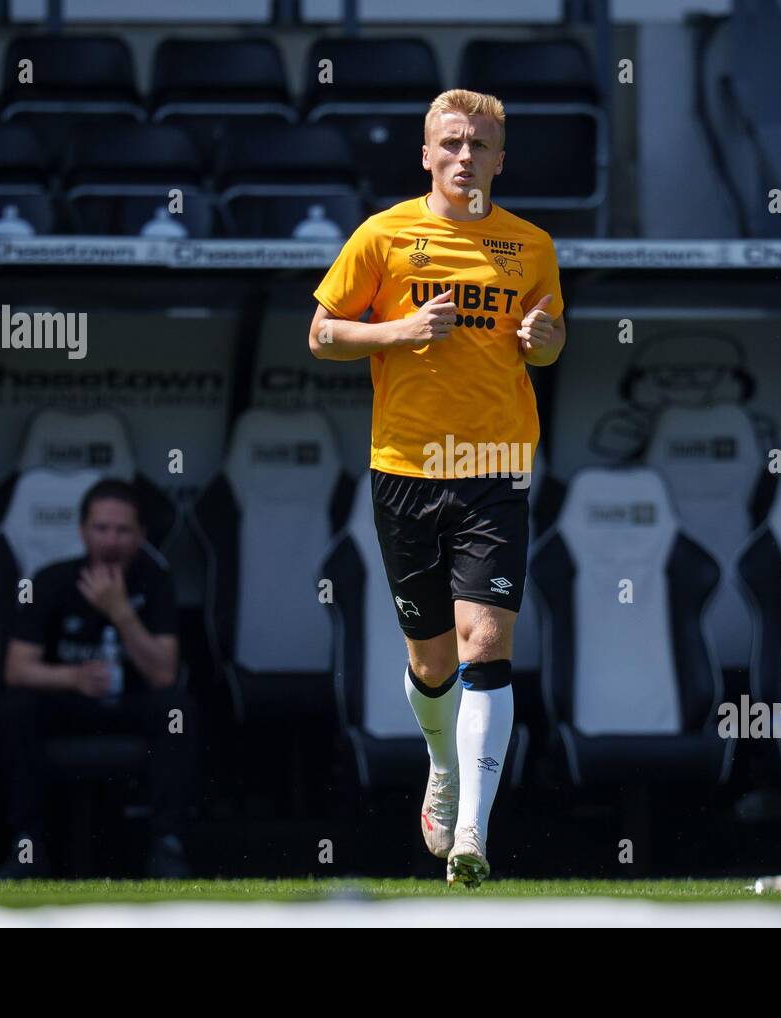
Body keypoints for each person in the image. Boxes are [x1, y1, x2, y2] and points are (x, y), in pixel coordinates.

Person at [308, 89, 566, 886]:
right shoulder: (382, 235)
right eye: (451, 143)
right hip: (406, 474)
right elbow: (322, 333)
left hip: (494, 469)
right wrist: (400, 331)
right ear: (427, 155)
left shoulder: (530, 246)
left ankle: (473, 838)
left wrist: (548, 337)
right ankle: (441, 761)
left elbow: (549, 345)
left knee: (487, 645)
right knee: (432, 663)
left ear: (499, 159)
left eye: (480, 146)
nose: (465, 157)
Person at [0, 478, 194, 878]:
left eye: (123, 530)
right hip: (69, 701)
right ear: (83, 531)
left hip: (130, 703)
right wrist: (71, 677)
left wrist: (120, 612)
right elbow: (16, 669)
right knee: (16, 707)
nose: (111, 541)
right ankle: (27, 846)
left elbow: (163, 673)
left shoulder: (155, 580)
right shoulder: (50, 581)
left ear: (140, 535)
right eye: (101, 528)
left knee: (176, 709)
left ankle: (167, 845)